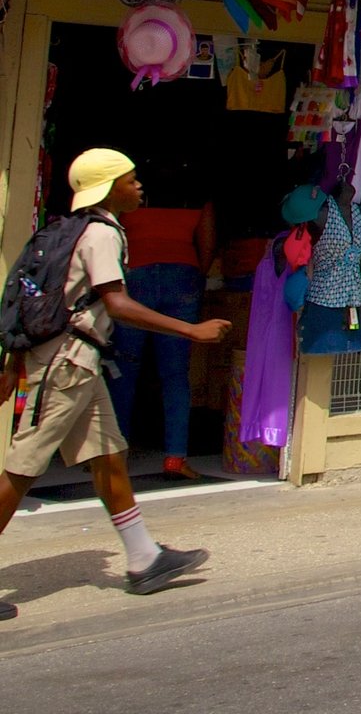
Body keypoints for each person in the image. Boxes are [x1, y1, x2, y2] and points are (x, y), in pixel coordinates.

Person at [0, 150, 231, 621]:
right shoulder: (102, 233)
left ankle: (144, 557)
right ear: (108, 189)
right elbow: (118, 304)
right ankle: (144, 556)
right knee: (23, 469)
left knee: (110, 456)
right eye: (130, 180)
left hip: (78, 363)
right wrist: (190, 330)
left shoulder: (71, 229)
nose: (139, 186)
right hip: (68, 366)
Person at [107, 198, 216, 480]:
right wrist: (197, 274)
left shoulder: (129, 190)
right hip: (182, 273)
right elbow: (207, 240)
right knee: (176, 374)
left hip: (136, 275)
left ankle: (115, 457)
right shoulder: (194, 189)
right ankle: (175, 458)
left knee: (123, 370)